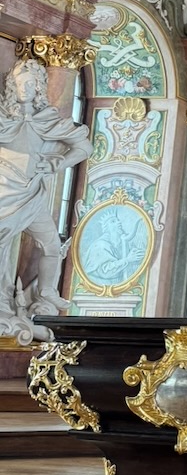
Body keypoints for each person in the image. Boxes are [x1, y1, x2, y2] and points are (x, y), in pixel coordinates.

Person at [0, 59, 93, 343]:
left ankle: (46, 292)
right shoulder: (4, 117)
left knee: (51, 244)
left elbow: (84, 147)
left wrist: (57, 163)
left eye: (31, 84)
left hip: (32, 195)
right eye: (20, 83)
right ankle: (3, 304)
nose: (25, 89)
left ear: (39, 87)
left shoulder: (47, 119)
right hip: (4, 193)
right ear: (12, 86)